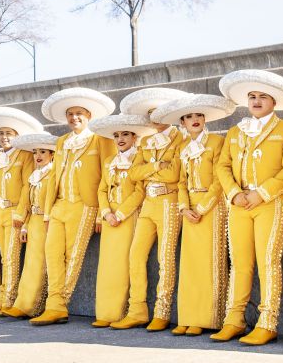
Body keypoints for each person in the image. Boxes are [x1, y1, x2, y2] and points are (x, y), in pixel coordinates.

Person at [211, 69, 283, 346]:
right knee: (239, 263)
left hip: (271, 203)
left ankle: (268, 321)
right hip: (239, 203)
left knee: (268, 262)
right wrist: (233, 193)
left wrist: (262, 193)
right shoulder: (235, 131)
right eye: (252, 96)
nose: (256, 101)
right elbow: (223, 165)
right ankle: (234, 319)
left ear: (274, 101)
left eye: (263, 96)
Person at [151, 93, 236, 336]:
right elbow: (180, 181)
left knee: (208, 262)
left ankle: (206, 317)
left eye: (198, 115)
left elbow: (220, 179)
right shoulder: (184, 148)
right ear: (182, 123)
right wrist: (184, 208)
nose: (195, 119)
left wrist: (200, 208)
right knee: (189, 264)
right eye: (189, 117)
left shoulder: (217, 143)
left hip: (212, 206)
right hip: (189, 209)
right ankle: (188, 316)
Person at [30, 87, 116, 326]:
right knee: (52, 254)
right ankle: (55, 304)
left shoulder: (100, 139)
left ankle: (57, 305)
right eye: (70, 113)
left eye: (79, 113)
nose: (74, 117)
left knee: (73, 256)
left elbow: (107, 176)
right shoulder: (61, 142)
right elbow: (55, 176)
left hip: (85, 206)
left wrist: (101, 212)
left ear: (89, 115)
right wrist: (48, 211)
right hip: (59, 206)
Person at [108, 88, 189, 332]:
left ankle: (162, 311)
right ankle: (137, 310)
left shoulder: (181, 139)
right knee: (135, 255)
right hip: (148, 205)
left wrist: (149, 169)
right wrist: (157, 165)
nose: (156, 117)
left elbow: (174, 174)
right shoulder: (144, 142)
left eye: (160, 112)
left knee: (165, 257)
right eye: (151, 113)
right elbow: (134, 173)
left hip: (169, 203)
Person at [87, 114, 153, 327]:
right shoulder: (109, 162)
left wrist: (121, 214)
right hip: (110, 218)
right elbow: (102, 189)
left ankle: (121, 312)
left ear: (135, 137)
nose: (121, 139)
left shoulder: (140, 159)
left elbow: (139, 191)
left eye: (125, 134)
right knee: (108, 264)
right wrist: (106, 213)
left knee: (125, 264)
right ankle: (105, 313)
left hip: (129, 216)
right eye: (116, 135)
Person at [0, 107, 42, 314]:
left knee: (12, 258)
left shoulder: (24, 156)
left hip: (15, 211)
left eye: (9, 134)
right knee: (4, 256)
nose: (5, 137)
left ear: (17, 136)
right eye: (2, 134)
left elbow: (27, 186)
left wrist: (21, 213)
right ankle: (2, 297)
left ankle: (9, 299)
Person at [0, 133, 59, 319]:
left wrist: (49, 220)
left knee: (39, 263)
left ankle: (32, 305)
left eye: (43, 152)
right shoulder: (35, 175)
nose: (38, 156)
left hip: (45, 221)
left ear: (52, 155)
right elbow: (28, 202)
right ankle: (23, 303)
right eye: (35, 152)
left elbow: (53, 200)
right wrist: (24, 225)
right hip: (33, 221)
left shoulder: (53, 173)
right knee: (30, 264)